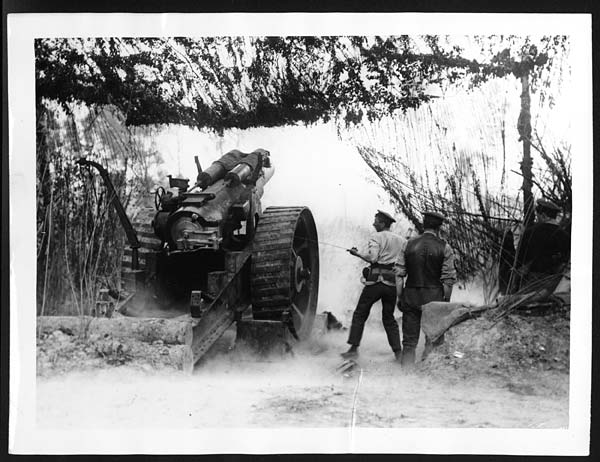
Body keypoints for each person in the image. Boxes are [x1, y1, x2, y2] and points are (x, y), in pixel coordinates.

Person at [341, 210, 405, 361]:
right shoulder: (402, 241)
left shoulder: (376, 237)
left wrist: (357, 254)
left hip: (375, 282)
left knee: (360, 314)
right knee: (389, 318)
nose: (373, 223)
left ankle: (353, 349)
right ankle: (398, 353)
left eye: (376, 221)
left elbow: (373, 258)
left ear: (382, 223)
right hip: (391, 284)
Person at [395, 211, 456, 367]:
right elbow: (448, 280)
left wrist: (400, 296)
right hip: (434, 298)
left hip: (411, 295)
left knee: (409, 341)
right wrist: (445, 302)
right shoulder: (445, 247)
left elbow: (399, 275)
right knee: (432, 339)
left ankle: (406, 374)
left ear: (424, 225)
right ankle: (426, 373)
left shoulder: (408, 244)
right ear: (439, 227)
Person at [513, 198, 570, 294]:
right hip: (558, 283)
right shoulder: (566, 236)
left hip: (532, 282)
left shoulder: (530, 233)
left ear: (543, 216)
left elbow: (519, 259)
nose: (537, 218)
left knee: (522, 304)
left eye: (538, 216)